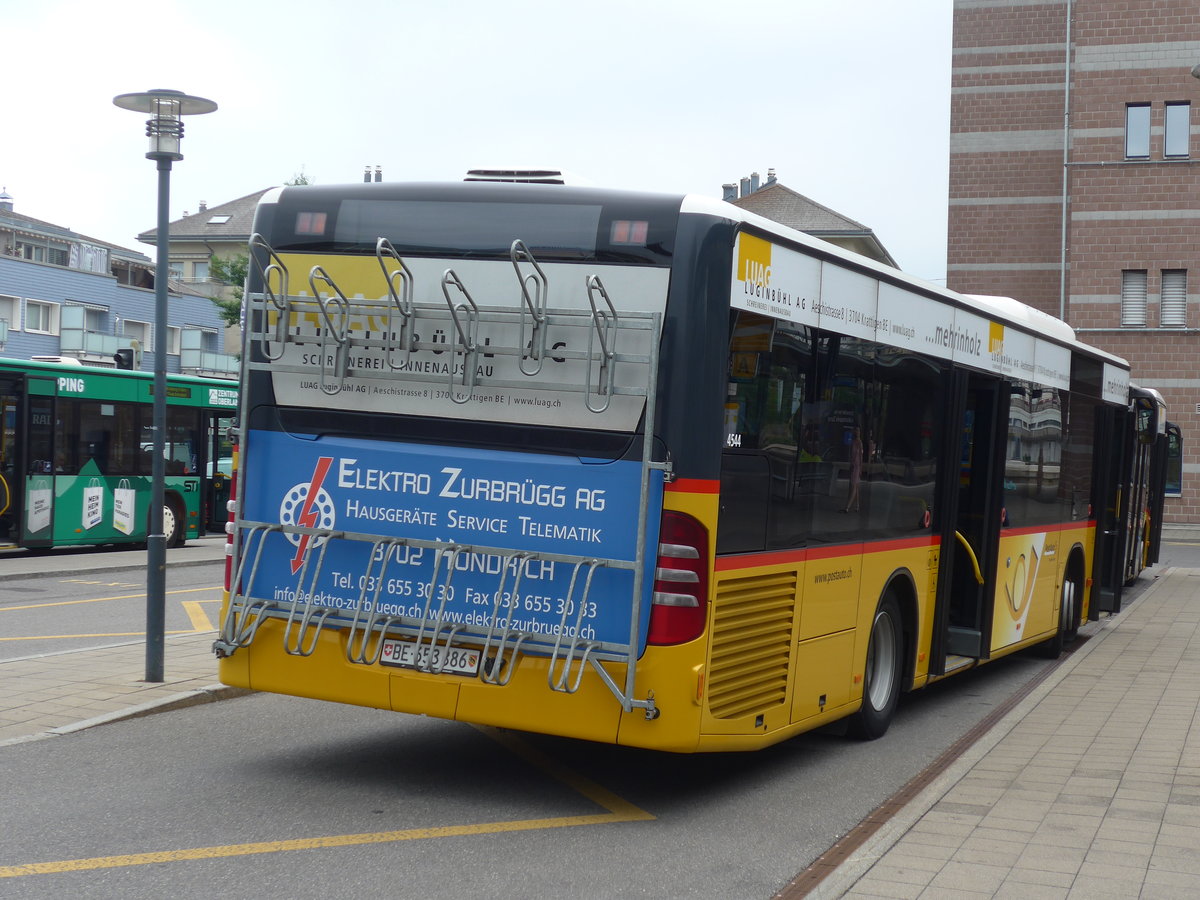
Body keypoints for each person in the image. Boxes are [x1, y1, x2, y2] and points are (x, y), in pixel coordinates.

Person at [843, 426, 863, 513]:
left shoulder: (859, 443)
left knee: (854, 486)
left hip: (857, 466)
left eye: (858, 430)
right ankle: (857, 506)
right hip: (854, 465)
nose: (857, 432)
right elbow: (851, 455)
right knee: (856, 486)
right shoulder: (853, 442)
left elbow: (861, 456)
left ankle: (847, 507)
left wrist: (861, 468)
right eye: (856, 430)